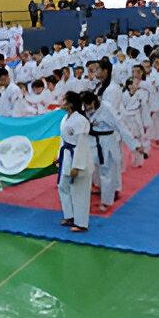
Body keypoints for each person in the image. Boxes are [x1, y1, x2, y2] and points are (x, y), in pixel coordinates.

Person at [81, 91, 140, 212]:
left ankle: (106, 201)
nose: (86, 108)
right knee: (88, 170)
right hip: (91, 141)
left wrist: (135, 145)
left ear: (93, 101)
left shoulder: (107, 108)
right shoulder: (85, 109)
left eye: (87, 105)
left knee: (106, 172)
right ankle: (89, 193)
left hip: (107, 143)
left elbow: (121, 126)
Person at [57, 91, 93, 232]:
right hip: (67, 155)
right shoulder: (65, 118)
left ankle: (81, 223)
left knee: (80, 191)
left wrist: (77, 166)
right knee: (63, 186)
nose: (61, 101)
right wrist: (59, 157)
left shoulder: (81, 120)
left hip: (79, 158)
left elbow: (82, 144)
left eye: (63, 99)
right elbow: (63, 139)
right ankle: (70, 215)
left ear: (70, 104)